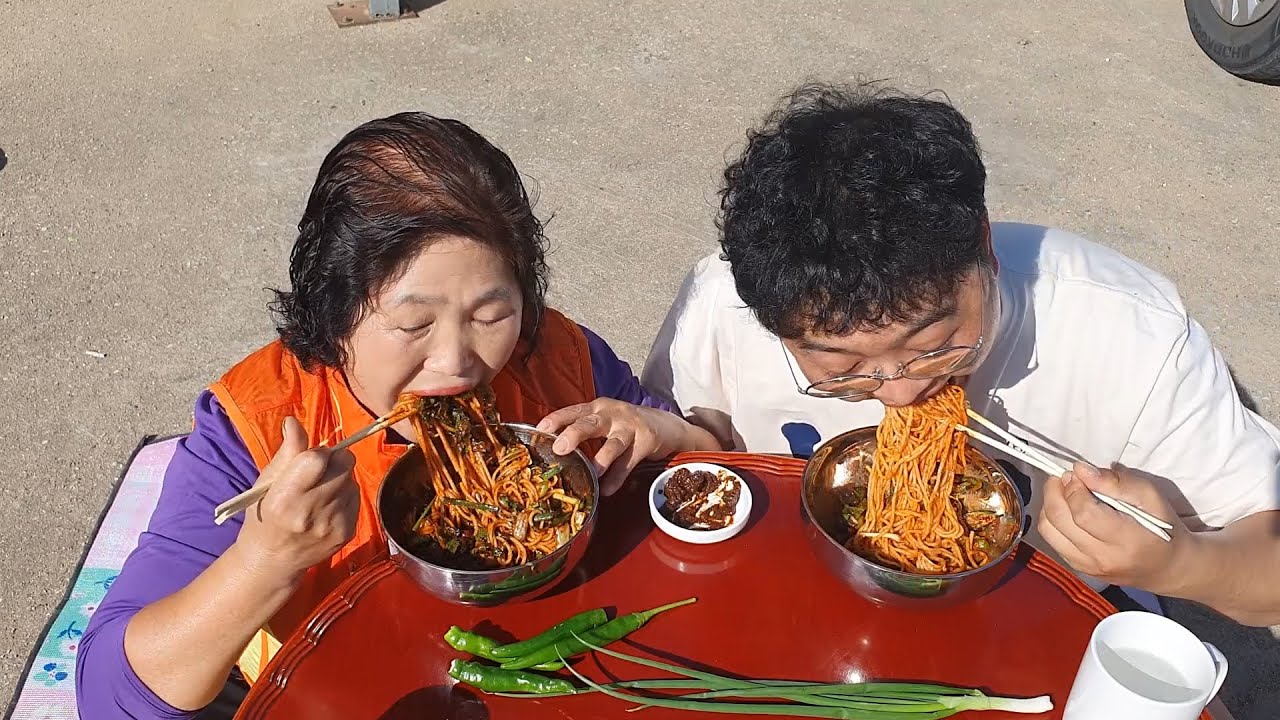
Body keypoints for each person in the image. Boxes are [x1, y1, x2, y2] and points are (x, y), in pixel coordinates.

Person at [77, 112, 719, 718]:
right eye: (413, 324)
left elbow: (711, 476)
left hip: (535, 669)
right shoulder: (253, 425)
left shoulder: (557, 355)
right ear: (335, 316)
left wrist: (671, 433)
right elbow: (111, 694)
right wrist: (266, 559)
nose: (457, 362)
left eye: (491, 315)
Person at [642, 82, 1280, 627]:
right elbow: (702, 450)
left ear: (984, 249)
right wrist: (675, 435)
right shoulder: (721, 302)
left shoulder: (1129, 335)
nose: (898, 392)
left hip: (1047, 611)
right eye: (839, 368)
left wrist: (1184, 563)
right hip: (793, 588)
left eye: (930, 346)